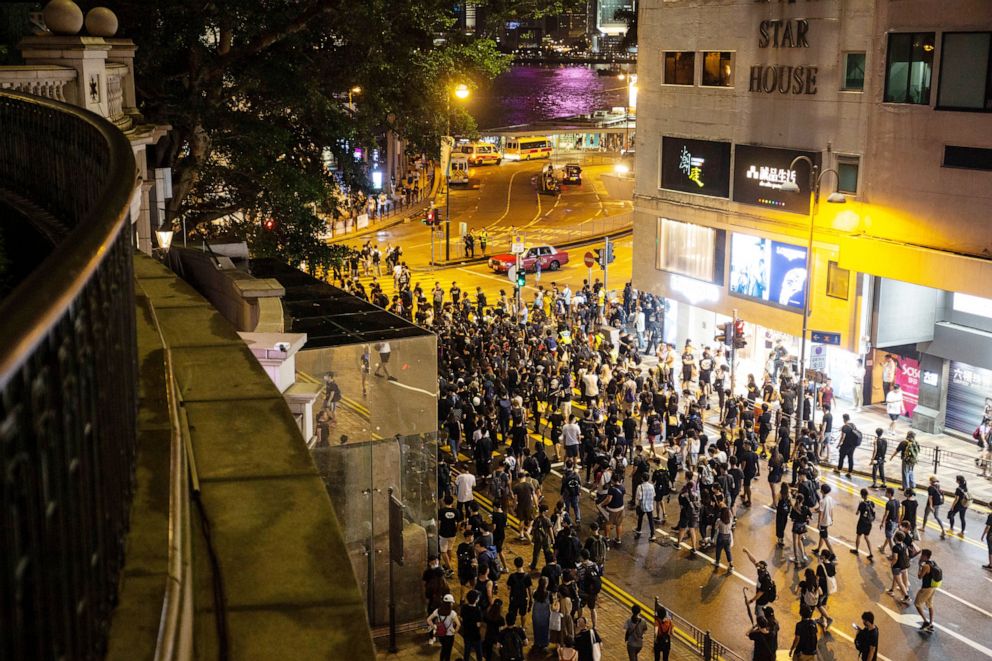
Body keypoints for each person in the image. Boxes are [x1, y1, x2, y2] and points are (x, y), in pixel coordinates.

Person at [427, 593, 461, 661]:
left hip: (441, 634)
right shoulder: (452, 613)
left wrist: (434, 627)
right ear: (450, 603)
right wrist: (455, 631)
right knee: (448, 651)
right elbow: (458, 624)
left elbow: (428, 620)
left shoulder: (437, 611)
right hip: (449, 635)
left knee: (443, 648)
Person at [915, 549, 941, 633]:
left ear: (925, 556)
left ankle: (925, 622)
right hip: (933, 587)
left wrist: (919, 566)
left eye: (922, 555)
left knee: (917, 604)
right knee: (930, 605)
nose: (921, 556)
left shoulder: (926, 566)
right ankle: (931, 623)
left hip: (926, 589)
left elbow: (919, 576)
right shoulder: (933, 562)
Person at [506, 556, 532, 629]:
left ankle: (512, 626)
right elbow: (530, 589)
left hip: (514, 598)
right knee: (523, 614)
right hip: (523, 598)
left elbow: (508, 587)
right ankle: (523, 627)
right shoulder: (527, 576)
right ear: (522, 564)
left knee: (513, 613)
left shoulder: (512, 576)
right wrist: (531, 600)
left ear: (515, 564)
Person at [461, 589, 484, 661]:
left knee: (467, 651)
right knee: (479, 652)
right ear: (476, 600)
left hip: (466, 633)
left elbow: (461, 618)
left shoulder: (464, 607)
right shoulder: (478, 610)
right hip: (475, 635)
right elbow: (478, 624)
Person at [853, 488, 876, 561]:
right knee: (866, 537)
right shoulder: (872, 503)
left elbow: (857, 513)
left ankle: (856, 549)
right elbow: (874, 512)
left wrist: (859, 505)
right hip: (869, 523)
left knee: (858, 536)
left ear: (862, 495)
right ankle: (871, 553)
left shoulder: (861, 504)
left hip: (861, 523)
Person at [813, 483, 835, 557]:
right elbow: (831, 509)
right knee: (822, 536)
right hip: (828, 520)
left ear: (822, 491)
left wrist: (819, 523)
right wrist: (832, 519)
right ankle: (818, 549)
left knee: (825, 538)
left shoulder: (822, 501)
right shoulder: (830, 498)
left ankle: (833, 554)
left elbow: (821, 513)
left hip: (823, 522)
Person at [836, 413, 861, 478]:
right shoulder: (853, 425)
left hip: (846, 445)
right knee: (850, 458)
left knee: (841, 457)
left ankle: (839, 469)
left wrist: (838, 445)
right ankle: (849, 472)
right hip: (853, 445)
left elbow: (842, 437)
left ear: (844, 419)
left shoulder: (845, 427)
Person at [634, 473, 657, 541]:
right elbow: (653, 495)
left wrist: (637, 504)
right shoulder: (651, 486)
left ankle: (639, 529)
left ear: (642, 478)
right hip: (650, 506)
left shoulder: (640, 487)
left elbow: (639, 497)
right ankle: (652, 535)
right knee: (650, 520)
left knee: (640, 518)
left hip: (642, 506)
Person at [531, 577, 552, 651]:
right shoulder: (549, 593)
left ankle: (537, 642)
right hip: (545, 614)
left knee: (536, 628)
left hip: (536, 613)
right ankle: (544, 644)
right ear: (546, 584)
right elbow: (552, 604)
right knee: (545, 629)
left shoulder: (535, 592)